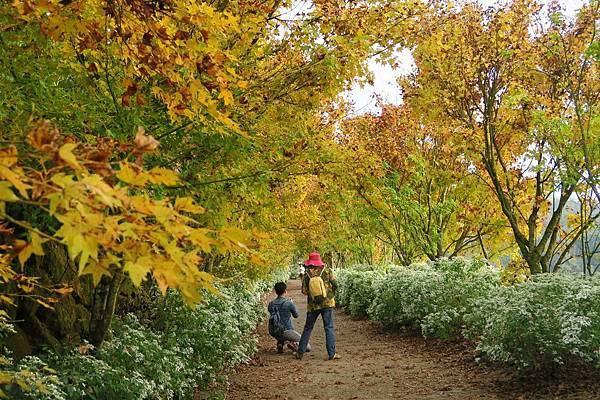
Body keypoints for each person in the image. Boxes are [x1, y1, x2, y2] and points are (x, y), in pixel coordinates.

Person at [296, 252, 340, 360]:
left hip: (313, 306)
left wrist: (314, 294)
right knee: (328, 327)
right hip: (327, 303)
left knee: (308, 328)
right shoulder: (327, 271)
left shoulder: (307, 274)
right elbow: (336, 285)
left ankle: (300, 353)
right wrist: (330, 294)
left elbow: (304, 291)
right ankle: (331, 353)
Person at [267, 282, 311, 353]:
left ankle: (280, 343)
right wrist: (292, 304)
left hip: (273, 331)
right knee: (307, 346)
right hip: (286, 331)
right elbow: (296, 315)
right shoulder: (288, 303)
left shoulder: (271, 304)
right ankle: (293, 344)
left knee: (280, 327)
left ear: (276, 291)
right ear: (285, 291)